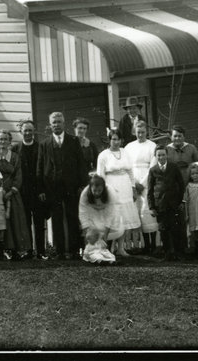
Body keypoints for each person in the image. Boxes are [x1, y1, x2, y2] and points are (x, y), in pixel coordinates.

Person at [37, 111, 87, 260]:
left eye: (59, 122)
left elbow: (81, 165)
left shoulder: (73, 141)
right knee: (57, 219)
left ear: (64, 124)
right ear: (50, 125)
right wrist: (41, 189)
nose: (56, 125)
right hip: (52, 187)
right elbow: (39, 167)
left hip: (71, 187)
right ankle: (59, 251)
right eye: (54, 122)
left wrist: (82, 185)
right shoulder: (44, 144)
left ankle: (73, 250)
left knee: (72, 217)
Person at [0, 129, 31, 259]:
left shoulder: (14, 157)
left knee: (13, 221)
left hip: (11, 194)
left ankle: (14, 251)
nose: (3, 141)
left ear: (10, 141)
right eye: (1, 139)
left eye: (5, 139)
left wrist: (12, 191)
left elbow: (18, 176)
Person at [95, 130, 140, 258]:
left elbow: (130, 172)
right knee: (112, 219)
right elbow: (100, 175)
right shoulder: (103, 155)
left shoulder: (125, 152)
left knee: (124, 218)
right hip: (111, 187)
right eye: (113, 139)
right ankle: (109, 248)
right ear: (109, 140)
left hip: (125, 187)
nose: (116, 142)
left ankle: (121, 248)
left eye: (118, 139)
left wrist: (133, 188)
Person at [123, 118, 158, 255]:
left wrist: (143, 184)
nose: (141, 134)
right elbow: (126, 166)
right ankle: (144, 244)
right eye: (138, 132)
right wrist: (134, 184)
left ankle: (153, 245)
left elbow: (153, 166)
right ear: (134, 132)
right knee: (137, 213)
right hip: (133, 182)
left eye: (143, 132)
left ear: (146, 132)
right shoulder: (129, 147)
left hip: (147, 182)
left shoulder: (152, 146)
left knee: (148, 211)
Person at [13, 120, 48, 259]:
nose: (27, 133)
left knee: (39, 222)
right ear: (21, 131)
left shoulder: (41, 147)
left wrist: (42, 190)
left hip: (38, 191)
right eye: (25, 130)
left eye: (30, 130)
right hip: (22, 191)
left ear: (34, 131)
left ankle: (41, 251)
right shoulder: (15, 149)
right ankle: (28, 251)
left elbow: (44, 170)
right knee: (25, 222)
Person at [147, 144, 186, 260]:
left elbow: (181, 185)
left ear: (167, 155)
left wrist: (179, 201)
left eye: (163, 154)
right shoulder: (153, 170)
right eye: (159, 155)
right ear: (155, 156)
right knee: (163, 229)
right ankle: (167, 253)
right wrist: (152, 207)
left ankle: (178, 253)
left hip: (174, 204)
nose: (161, 157)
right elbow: (149, 190)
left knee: (175, 229)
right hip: (161, 205)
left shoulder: (174, 167)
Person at [78, 174, 125, 263]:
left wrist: (106, 234)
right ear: (90, 188)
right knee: (92, 236)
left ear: (103, 188)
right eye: (94, 190)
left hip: (106, 214)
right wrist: (86, 232)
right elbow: (83, 213)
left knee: (105, 235)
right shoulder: (85, 193)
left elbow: (111, 214)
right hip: (91, 213)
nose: (97, 193)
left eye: (99, 190)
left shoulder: (111, 192)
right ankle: (91, 253)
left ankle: (104, 251)